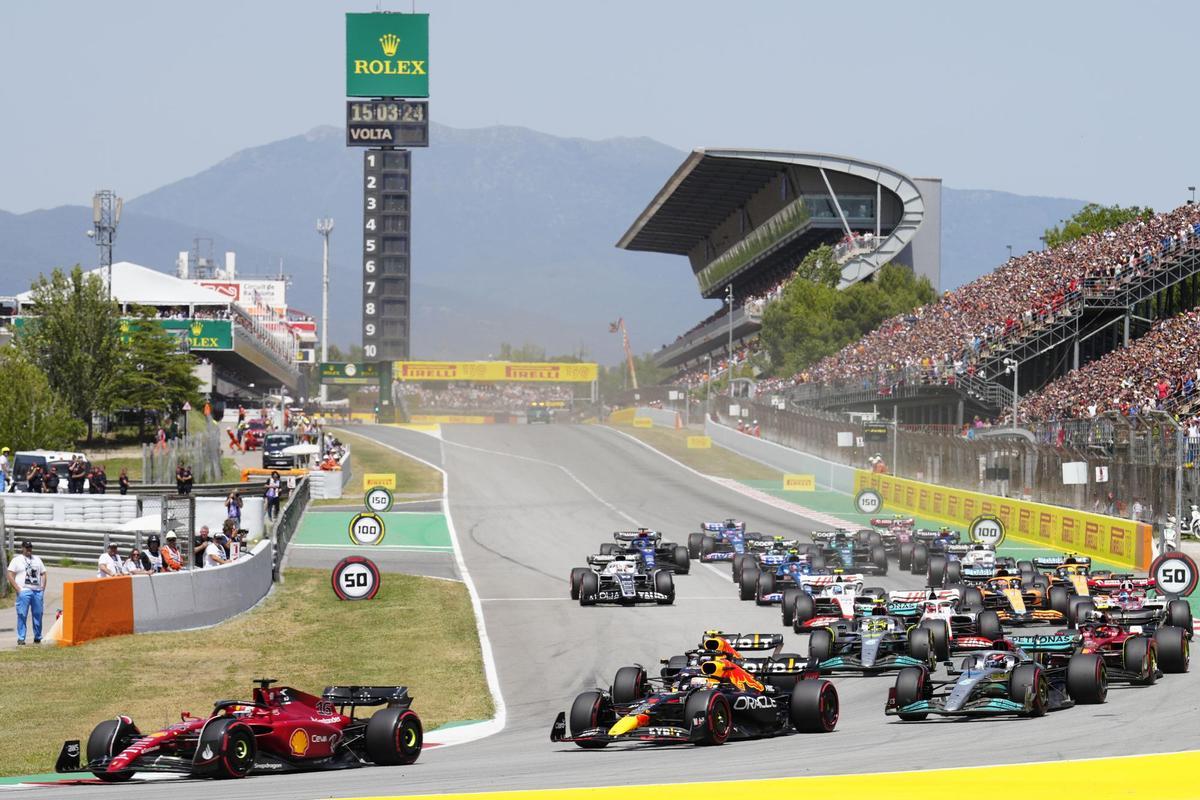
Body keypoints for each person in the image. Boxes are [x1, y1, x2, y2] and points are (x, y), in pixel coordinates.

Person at [7, 540, 46, 645]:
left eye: (30, 547)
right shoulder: (16, 560)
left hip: (37, 591)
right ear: (22, 548)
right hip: (24, 590)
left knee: (38, 614)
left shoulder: (37, 559)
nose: (29, 549)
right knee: (22, 614)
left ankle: (38, 637)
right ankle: (21, 638)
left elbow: (43, 573)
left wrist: (42, 588)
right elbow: (10, 575)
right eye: (27, 547)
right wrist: (18, 589)